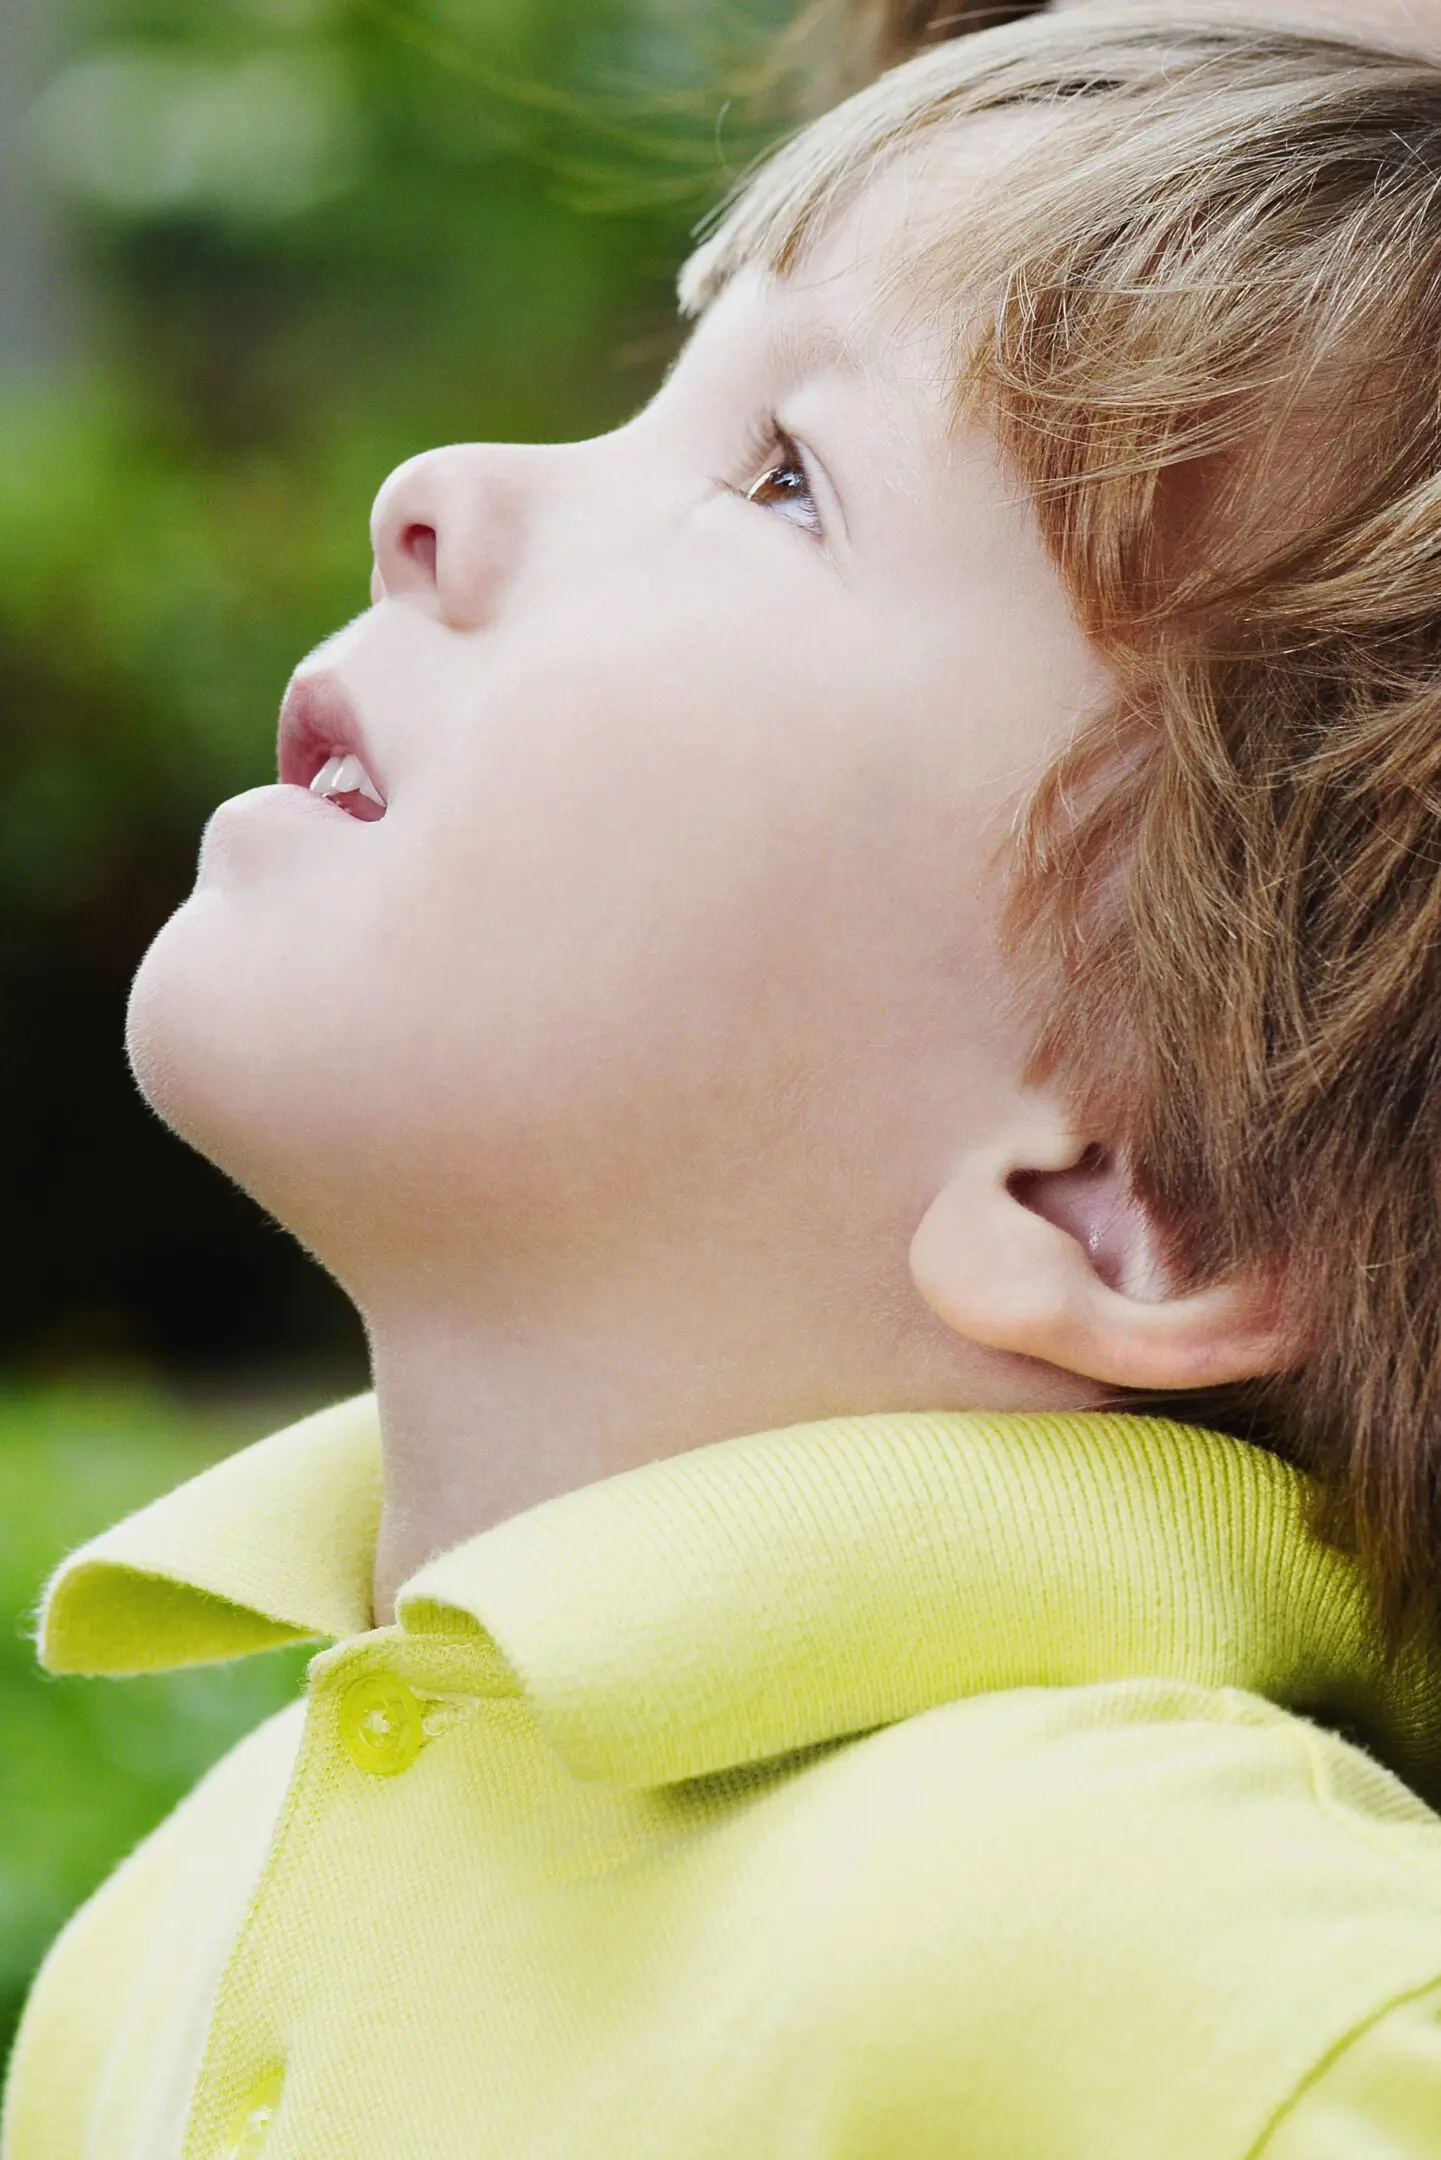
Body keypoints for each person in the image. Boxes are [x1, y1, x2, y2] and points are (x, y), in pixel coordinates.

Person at [10, 4, 1441, 2154]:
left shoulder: (1227, 1997)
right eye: (668, 396)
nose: (436, 492)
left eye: (786, 481)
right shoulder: (170, 1924)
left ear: (1118, 1210)